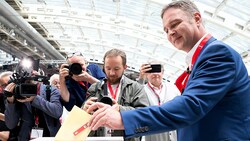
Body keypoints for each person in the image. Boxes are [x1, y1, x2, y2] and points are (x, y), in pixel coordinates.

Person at [86, 0, 250, 141]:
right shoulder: (201, 58)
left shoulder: (218, 53)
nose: (170, 32)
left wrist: (123, 118)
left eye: (175, 24)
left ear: (197, 18)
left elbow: (190, 106)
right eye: (166, 30)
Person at [82, 48, 149, 141]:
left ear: (125, 67)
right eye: (108, 68)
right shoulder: (95, 88)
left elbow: (144, 115)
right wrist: (84, 109)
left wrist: (120, 109)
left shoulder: (135, 88)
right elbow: (82, 118)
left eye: (116, 69)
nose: (111, 73)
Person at [4, 57, 62, 140]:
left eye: (33, 74)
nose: (30, 76)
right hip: (26, 137)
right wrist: (10, 101)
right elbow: (10, 124)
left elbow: (57, 112)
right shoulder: (17, 91)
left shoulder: (50, 90)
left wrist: (34, 98)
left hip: (49, 137)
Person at [138, 62, 179, 141]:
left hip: (173, 133)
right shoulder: (142, 90)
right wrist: (141, 78)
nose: (155, 74)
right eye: (151, 71)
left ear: (163, 73)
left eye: (158, 70)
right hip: (152, 135)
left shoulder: (173, 88)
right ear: (146, 74)